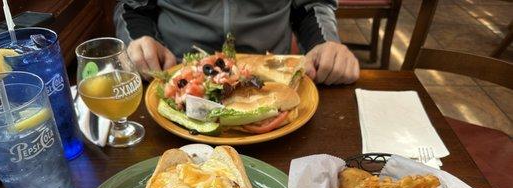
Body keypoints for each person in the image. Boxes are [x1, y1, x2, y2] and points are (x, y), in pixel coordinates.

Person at [114, 1, 360, 85]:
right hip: (176, 73)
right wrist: (137, 41)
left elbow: (309, 6)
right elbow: (133, 7)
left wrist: (323, 43)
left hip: (272, 78)